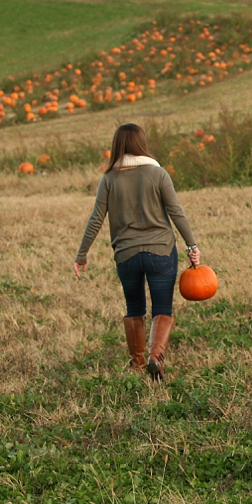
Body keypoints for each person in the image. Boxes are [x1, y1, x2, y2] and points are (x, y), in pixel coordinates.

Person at [74, 123, 200, 381]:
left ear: (117, 145)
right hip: (161, 252)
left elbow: (96, 219)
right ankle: (156, 357)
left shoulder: (108, 179)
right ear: (141, 143)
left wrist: (82, 255)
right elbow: (176, 211)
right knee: (162, 307)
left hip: (127, 256)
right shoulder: (158, 173)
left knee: (134, 307)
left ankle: (138, 363)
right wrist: (192, 245)